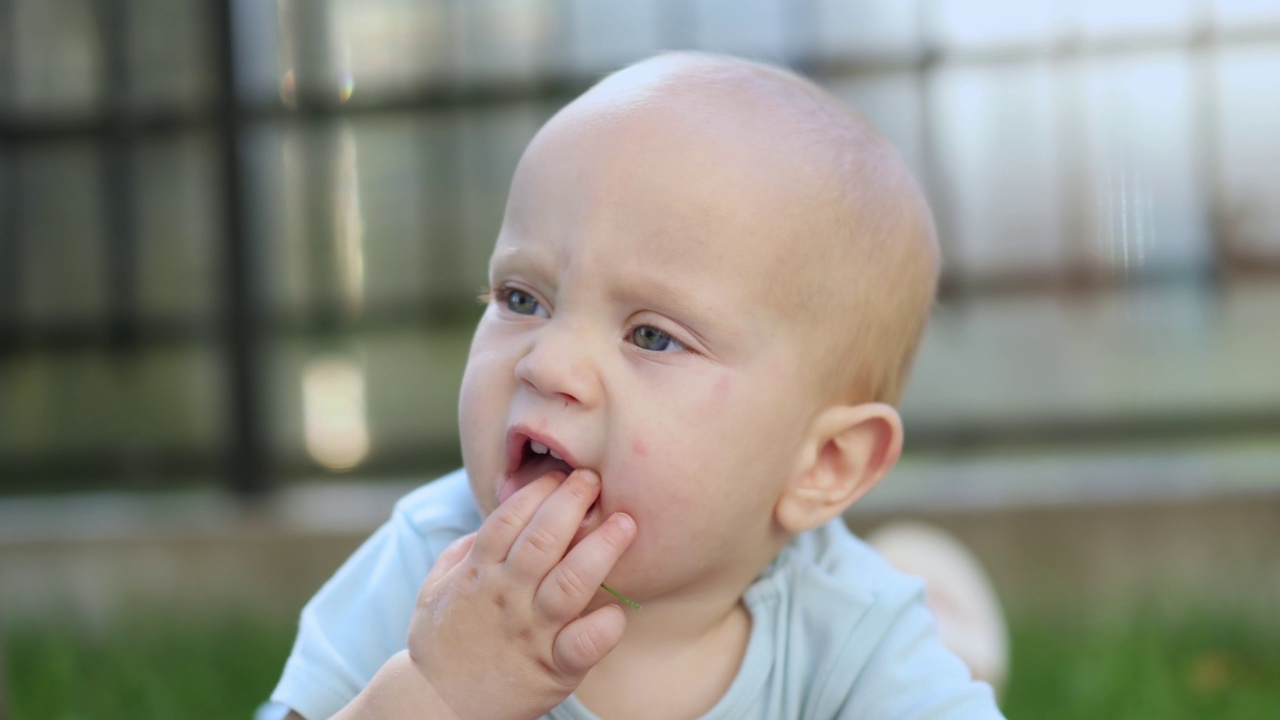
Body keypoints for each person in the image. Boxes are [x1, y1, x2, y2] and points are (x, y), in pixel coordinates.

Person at [266, 51, 1006, 720]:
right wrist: (435, 694)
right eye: (522, 298)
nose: (546, 364)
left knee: (942, 639)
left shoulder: (850, 631)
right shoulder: (436, 563)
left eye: (652, 336)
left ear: (824, 466)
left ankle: (948, 605)